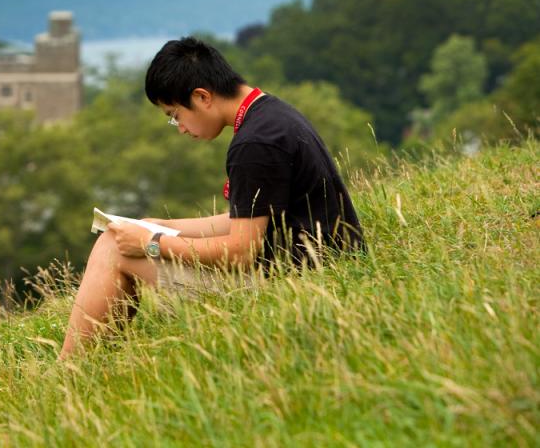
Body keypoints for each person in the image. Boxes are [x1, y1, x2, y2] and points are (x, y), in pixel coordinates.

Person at [57, 36, 365, 360]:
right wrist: (160, 225)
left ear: (202, 97)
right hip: (321, 270)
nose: (179, 128)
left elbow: (242, 252)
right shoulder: (271, 116)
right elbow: (247, 220)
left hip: (293, 286)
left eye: (174, 114)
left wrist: (152, 243)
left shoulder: (254, 146)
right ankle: (90, 363)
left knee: (112, 248)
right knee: (119, 237)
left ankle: (69, 372)